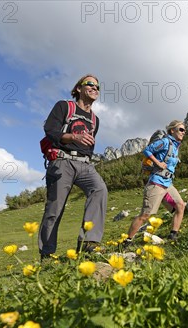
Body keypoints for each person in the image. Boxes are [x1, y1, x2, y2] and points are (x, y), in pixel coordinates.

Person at [38, 74, 108, 259]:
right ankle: (46, 256)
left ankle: (88, 243)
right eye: (90, 84)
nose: (95, 88)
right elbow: (50, 130)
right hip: (62, 161)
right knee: (54, 209)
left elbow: (90, 144)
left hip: (85, 164)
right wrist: (73, 137)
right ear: (78, 88)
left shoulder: (95, 120)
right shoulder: (64, 106)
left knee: (99, 189)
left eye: (98, 87)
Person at [125, 120, 186, 245]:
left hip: (168, 183)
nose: (183, 132)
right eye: (181, 129)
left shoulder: (175, 146)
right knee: (145, 215)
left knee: (180, 205)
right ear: (172, 130)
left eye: (184, 130)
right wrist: (158, 163)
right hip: (156, 182)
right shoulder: (165, 142)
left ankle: (173, 236)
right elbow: (147, 150)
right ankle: (127, 241)